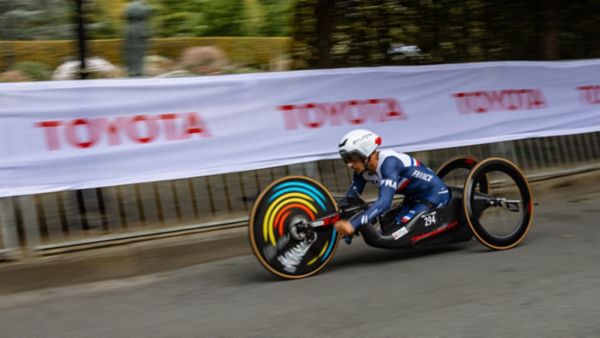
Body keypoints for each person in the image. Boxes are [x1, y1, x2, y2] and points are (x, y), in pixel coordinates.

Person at [333, 129, 451, 240]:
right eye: (346, 159)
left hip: (434, 195)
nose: (349, 164)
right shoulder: (361, 172)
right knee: (389, 226)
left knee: (401, 231)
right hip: (412, 199)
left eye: (352, 158)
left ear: (366, 152)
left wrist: (353, 225)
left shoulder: (389, 163)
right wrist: (344, 224)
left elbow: (384, 202)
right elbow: (350, 200)